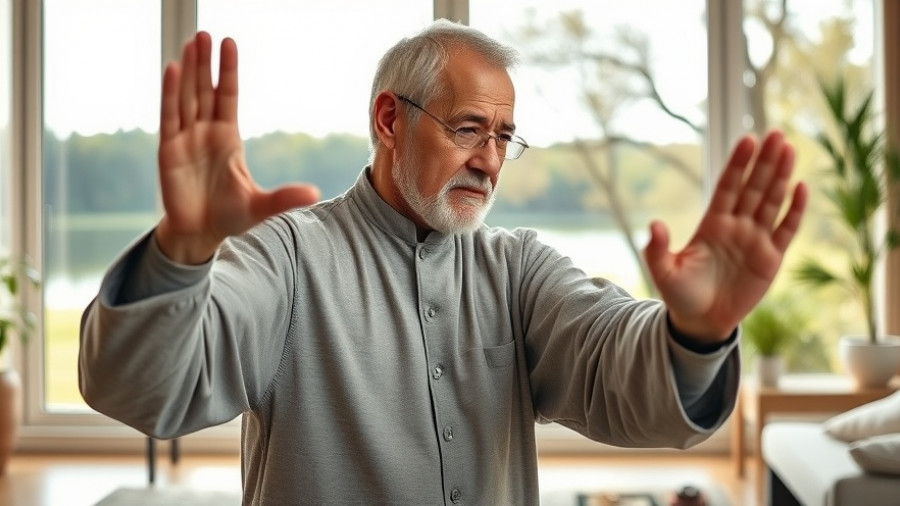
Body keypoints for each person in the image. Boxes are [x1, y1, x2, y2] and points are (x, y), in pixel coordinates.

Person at [79, 19, 807, 506]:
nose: (490, 161)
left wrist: (696, 334)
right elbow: (147, 393)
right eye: (468, 129)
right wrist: (182, 252)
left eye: (504, 137)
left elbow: (612, 362)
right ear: (390, 121)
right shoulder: (289, 255)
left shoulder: (517, 267)